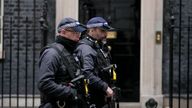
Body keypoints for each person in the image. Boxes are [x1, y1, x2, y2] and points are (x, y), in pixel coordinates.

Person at [38, 17, 86, 108]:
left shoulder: (70, 51)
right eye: (75, 31)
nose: (78, 34)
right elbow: (44, 83)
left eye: (79, 32)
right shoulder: (52, 53)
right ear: (63, 32)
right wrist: (71, 92)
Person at [75, 17, 114, 108]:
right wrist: (104, 87)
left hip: (100, 96)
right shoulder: (86, 48)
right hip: (92, 98)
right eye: (102, 31)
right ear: (92, 30)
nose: (105, 34)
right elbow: (87, 73)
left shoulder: (96, 45)